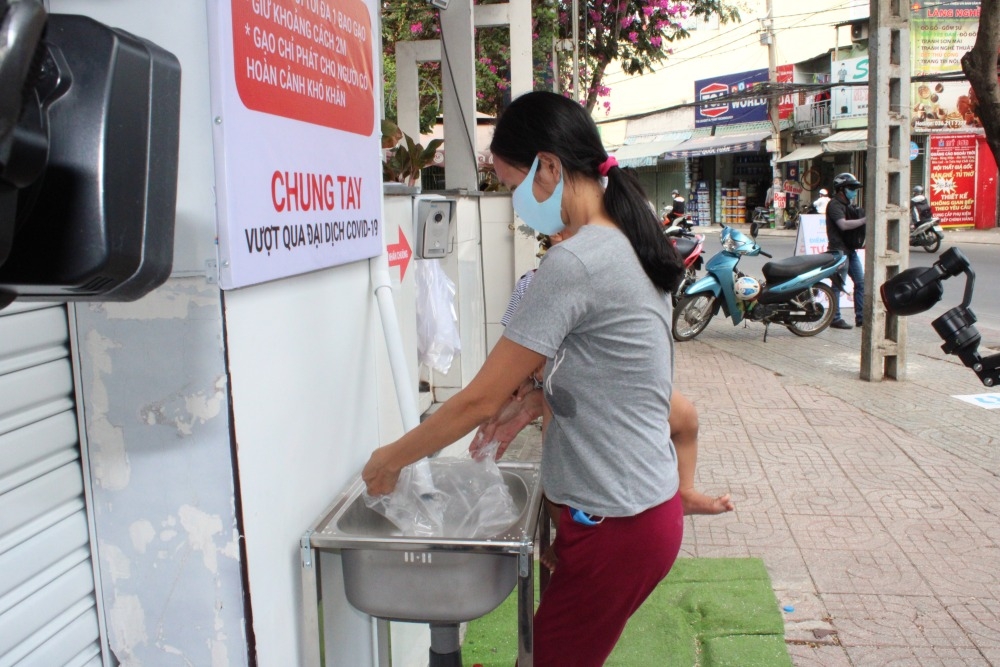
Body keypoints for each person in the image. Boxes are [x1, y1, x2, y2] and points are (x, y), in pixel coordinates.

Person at [363, 90, 687, 665]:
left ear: (551, 168)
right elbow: (618, 376)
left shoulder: (577, 261)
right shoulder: (623, 241)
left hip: (620, 523)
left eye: (513, 184)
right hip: (630, 513)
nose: (514, 202)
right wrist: (537, 401)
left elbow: (478, 400)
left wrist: (391, 458)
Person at [825, 172, 866, 330]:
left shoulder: (848, 204)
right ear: (841, 189)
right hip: (838, 250)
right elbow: (843, 224)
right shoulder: (835, 205)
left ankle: (861, 318)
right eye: (851, 188)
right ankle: (835, 318)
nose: (854, 192)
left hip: (850, 250)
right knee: (838, 285)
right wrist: (863, 220)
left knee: (861, 282)